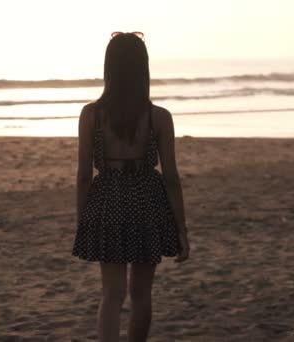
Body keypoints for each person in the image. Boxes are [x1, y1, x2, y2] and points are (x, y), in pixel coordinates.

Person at [72, 31, 190, 341]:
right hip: (146, 202)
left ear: (109, 68)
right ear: (143, 69)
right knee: (141, 294)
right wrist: (182, 229)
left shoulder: (91, 115)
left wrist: (83, 219)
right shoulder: (158, 118)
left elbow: (84, 175)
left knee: (111, 295)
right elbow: (171, 177)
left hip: (107, 201)